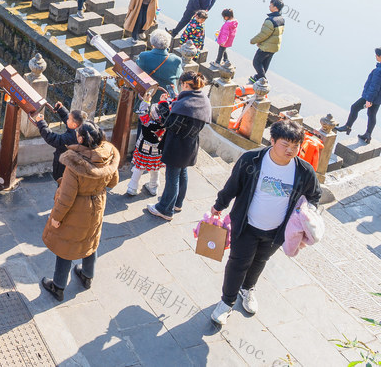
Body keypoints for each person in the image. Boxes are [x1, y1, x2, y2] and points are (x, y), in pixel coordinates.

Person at [208, 119, 322, 327]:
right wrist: (219, 204)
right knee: (237, 263)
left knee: (260, 261)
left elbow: (315, 195)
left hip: (277, 231)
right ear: (272, 140)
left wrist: (307, 214)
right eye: (285, 144)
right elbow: (233, 185)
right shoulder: (252, 160)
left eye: (295, 146)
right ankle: (227, 302)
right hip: (246, 225)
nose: (290, 150)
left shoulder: (304, 171)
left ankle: (247, 289)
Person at [40, 121, 120, 302]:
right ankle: (87, 276)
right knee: (90, 240)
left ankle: (58, 287)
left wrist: (56, 218)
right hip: (97, 204)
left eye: (78, 134)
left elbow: (66, 197)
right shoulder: (108, 155)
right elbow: (113, 182)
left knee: (65, 247)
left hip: (78, 208)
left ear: (82, 139)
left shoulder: (76, 164)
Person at [146, 71, 212, 220]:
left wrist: (163, 104)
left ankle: (165, 209)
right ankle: (176, 203)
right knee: (182, 173)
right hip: (191, 144)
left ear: (185, 84)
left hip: (177, 145)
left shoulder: (185, 105)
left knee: (172, 177)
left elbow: (169, 124)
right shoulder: (203, 101)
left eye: (181, 84)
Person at [334, 47, 381, 144]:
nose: (375, 57)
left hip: (372, 96)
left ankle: (347, 126)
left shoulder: (379, 71)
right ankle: (368, 135)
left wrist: (369, 100)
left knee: (355, 107)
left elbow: (374, 86)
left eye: (376, 55)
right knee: (372, 115)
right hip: (380, 97)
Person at [33, 101, 87, 182]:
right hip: (78, 168)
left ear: (74, 125)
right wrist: (61, 109)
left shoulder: (70, 138)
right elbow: (68, 118)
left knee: (62, 186)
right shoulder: (83, 129)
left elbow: (51, 138)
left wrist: (41, 123)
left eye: (69, 119)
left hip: (64, 168)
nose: (67, 120)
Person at [137, 30, 183, 99]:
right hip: (167, 96)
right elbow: (179, 75)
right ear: (168, 44)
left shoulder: (144, 56)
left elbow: (137, 68)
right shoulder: (176, 60)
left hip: (148, 93)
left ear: (152, 44)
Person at [248, 0, 284, 83]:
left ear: (275, 7)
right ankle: (258, 78)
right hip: (274, 47)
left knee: (256, 62)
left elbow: (263, 34)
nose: (269, 6)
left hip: (266, 47)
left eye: (271, 5)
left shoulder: (270, 20)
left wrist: (253, 41)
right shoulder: (281, 19)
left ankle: (263, 82)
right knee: (264, 64)